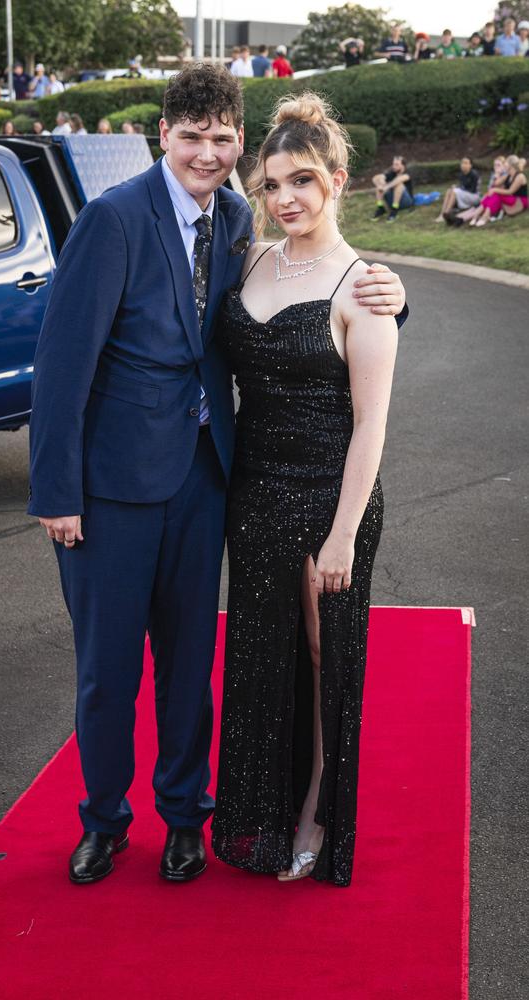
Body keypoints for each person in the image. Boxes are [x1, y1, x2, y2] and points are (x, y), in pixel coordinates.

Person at [27, 63, 408, 888]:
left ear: (238, 144)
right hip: (109, 491)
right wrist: (56, 493)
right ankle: (103, 822)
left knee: (191, 668)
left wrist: (394, 297)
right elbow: (60, 367)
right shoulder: (111, 219)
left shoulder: (241, 220)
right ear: (162, 135)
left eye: (222, 139)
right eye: (191, 136)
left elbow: (317, 296)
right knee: (107, 672)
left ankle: (184, 819)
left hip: (208, 486)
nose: (207, 153)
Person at [211, 92, 399, 886]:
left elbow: (371, 427)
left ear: (338, 181)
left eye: (303, 182)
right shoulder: (253, 257)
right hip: (253, 495)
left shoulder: (365, 289)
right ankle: (261, 807)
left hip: (329, 497)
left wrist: (343, 535)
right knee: (259, 655)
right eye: (273, 184)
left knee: (325, 657)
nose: (286, 197)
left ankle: (320, 810)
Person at [469, 156, 527, 227]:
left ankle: (484, 216)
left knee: (496, 192)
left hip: (520, 201)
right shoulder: (508, 175)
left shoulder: (520, 176)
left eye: (506, 163)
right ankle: (478, 216)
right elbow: (495, 184)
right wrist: (497, 174)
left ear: (510, 165)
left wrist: (495, 190)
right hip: (511, 199)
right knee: (493, 192)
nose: (504, 165)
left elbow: (510, 191)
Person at [435, 156, 480, 223]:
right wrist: (457, 187)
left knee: (454, 192)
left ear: (470, 165)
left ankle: (446, 213)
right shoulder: (461, 174)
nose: (463, 165)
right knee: (449, 190)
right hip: (465, 194)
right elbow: (462, 186)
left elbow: (472, 190)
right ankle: (442, 213)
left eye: (466, 163)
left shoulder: (474, 175)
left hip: (474, 196)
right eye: (462, 163)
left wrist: (459, 189)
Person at [372, 155, 413, 222]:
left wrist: (386, 187)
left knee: (399, 185)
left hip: (406, 202)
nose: (393, 166)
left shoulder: (407, 173)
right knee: (379, 184)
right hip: (391, 200)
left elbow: (400, 179)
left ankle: (394, 210)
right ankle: (380, 208)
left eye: (396, 164)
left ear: (403, 166)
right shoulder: (392, 173)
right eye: (393, 164)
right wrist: (381, 181)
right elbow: (375, 178)